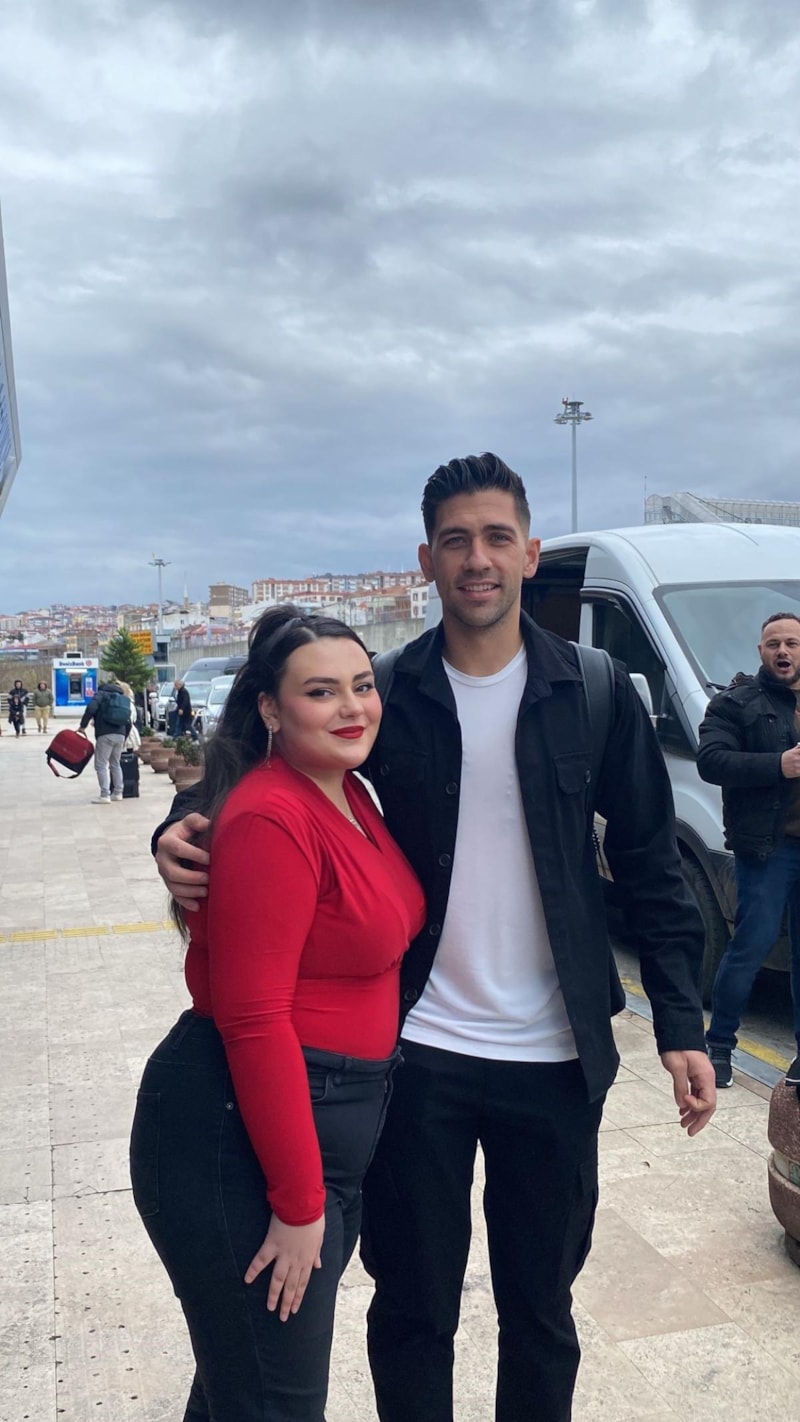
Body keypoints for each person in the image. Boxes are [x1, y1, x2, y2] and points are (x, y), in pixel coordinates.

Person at [153, 454, 715, 1422]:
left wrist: (681, 1024)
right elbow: (266, 773)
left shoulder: (593, 691)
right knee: (412, 1310)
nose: (476, 559)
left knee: (541, 1310)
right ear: (426, 560)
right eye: (455, 540)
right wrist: (174, 827)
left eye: (497, 537)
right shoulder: (386, 692)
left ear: (530, 553)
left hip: (557, 1057)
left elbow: (651, 864)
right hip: (417, 1056)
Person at [130, 607, 425, 1422]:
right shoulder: (271, 814)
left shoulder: (349, 790)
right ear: (269, 707)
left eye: (362, 685)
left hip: (320, 1142)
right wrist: (299, 1204)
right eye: (321, 692)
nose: (352, 707)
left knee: (241, 1389)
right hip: (242, 1148)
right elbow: (254, 1018)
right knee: (272, 1402)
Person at [698, 612, 800, 1091]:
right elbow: (711, 761)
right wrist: (778, 764)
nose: (783, 651)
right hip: (767, 848)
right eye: (774, 644)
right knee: (751, 946)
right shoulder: (735, 702)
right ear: (760, 651)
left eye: (793, 643)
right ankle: (719, 1045)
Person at [79, 677, 132, 803]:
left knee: (101, 764)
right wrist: (124, 737)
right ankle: (118, 793)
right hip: (120, 734)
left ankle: (105, 795)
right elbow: (128, 721)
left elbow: (91, 708)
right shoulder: (123, 698)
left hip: (105, 734)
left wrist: (83, 726)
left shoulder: (101, 695)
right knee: (115, 764)